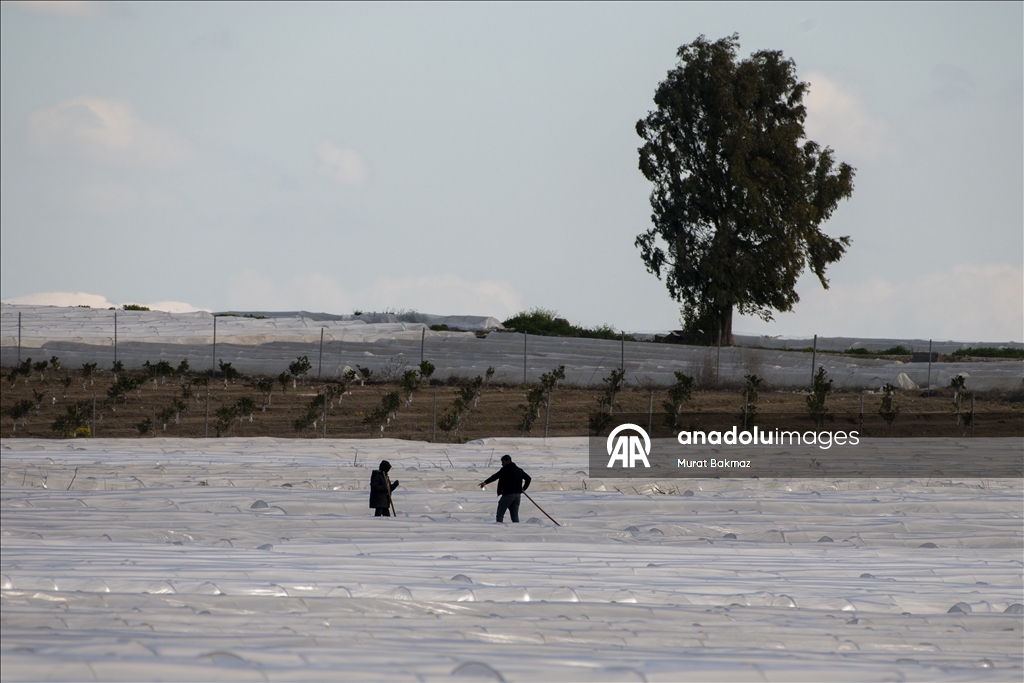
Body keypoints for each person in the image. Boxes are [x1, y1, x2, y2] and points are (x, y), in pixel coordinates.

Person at [478, 454, 531, 523]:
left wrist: (485, 482)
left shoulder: (505, 470)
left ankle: (499, 528)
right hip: (517, 495)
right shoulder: (519, 470)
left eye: (503, 462)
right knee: (514, 515)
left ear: (508, 461)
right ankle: (517, 528)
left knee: (500, 513)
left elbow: (496, 476)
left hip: (508, 495)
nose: (502, 464)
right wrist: (523, 488)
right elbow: (528, 479)